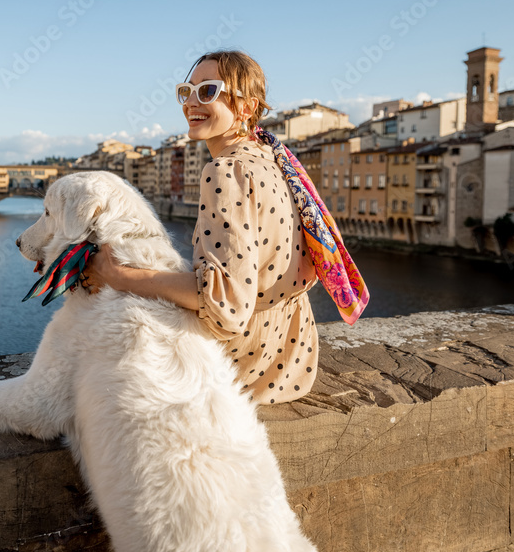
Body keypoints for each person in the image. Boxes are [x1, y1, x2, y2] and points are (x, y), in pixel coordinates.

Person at [82, 50, 367, 405]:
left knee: (96, 344)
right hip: (291, 359)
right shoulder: (272, 157)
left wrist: (118, 276)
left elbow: (225, 305)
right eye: (186, 91)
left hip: (241, 368)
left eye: (207, 91)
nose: (191, 103)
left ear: (246, 107)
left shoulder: (226, 171)